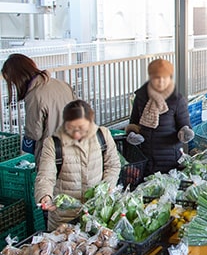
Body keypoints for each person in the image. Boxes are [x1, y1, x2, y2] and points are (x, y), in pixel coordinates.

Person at [35, 100, 121, 231]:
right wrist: (45, 196)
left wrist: (107, 188)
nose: (76, 134)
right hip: (63, 220)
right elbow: (46, 175)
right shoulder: (53, 143)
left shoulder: (102, 135)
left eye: (81, 128)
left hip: (96, 214)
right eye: (71, 128)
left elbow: (113, 165)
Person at [1, 53, 77, 164]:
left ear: (18, 77)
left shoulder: (34, 95)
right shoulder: (61, 84)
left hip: (52, 155)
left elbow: (34, 133)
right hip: (74, 146)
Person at [127, 59, 194, 176]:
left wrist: (185, 133)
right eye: (157, 77)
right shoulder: (141, 97)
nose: (161, 81)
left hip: (170, 157)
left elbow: (185, 125)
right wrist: (132, 133)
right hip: (146, 155)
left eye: (165, 77)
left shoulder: (176, 99)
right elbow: (134, 122)